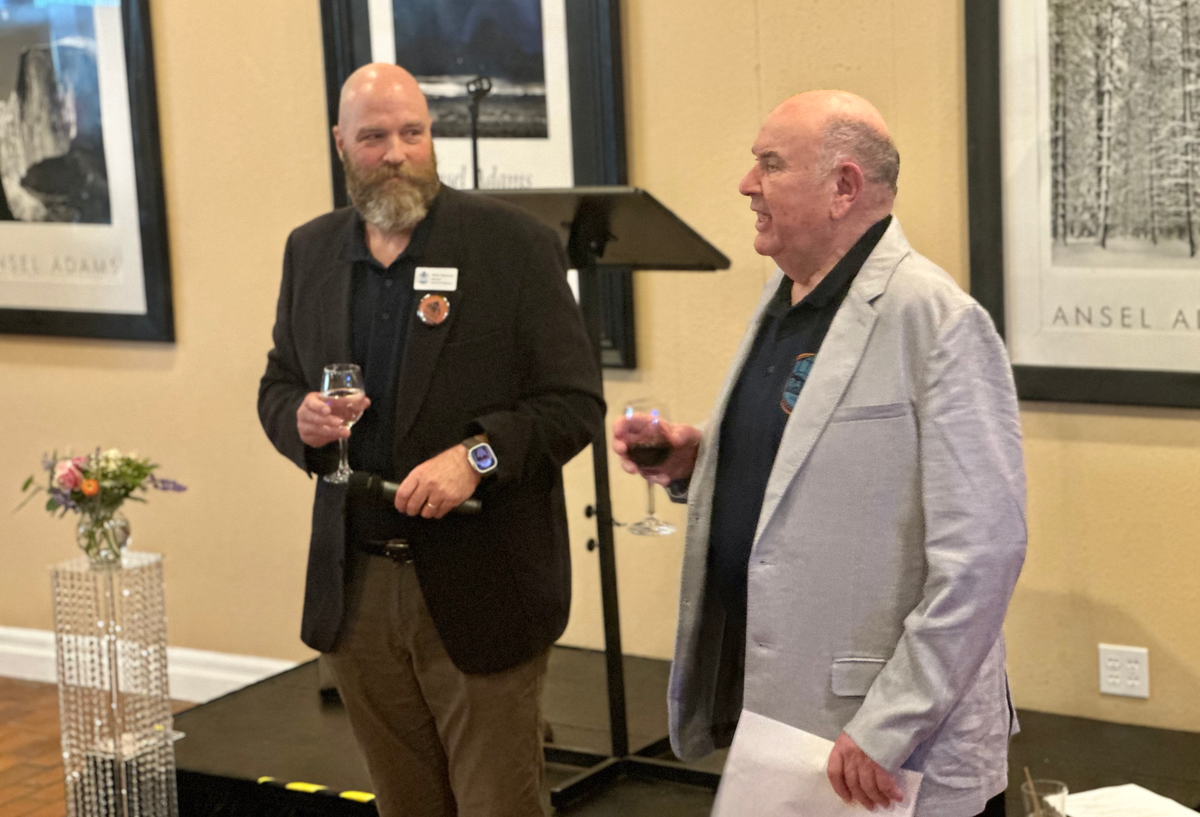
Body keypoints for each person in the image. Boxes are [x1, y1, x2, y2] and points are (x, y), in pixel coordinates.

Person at [614, 91, 1026, 816]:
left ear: (843, 187)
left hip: (883, 741)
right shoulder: (785, 295)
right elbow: (807, 466)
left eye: (769, 165)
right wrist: (694, 462)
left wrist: (886, 724)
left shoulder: (938, 320)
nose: (747, 185)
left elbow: (984, 556)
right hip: (785, 715)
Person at [258, 63, 604, 817]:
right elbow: (279, 383)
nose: (396, 153)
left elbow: (574, 404)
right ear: (341, 144)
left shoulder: (512, 245)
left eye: (412, 133)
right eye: (375, 136)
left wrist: (474, 458)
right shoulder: (310, 250)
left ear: (431, 136)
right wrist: (301, 421)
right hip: (356, 590)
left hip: (481, 583)